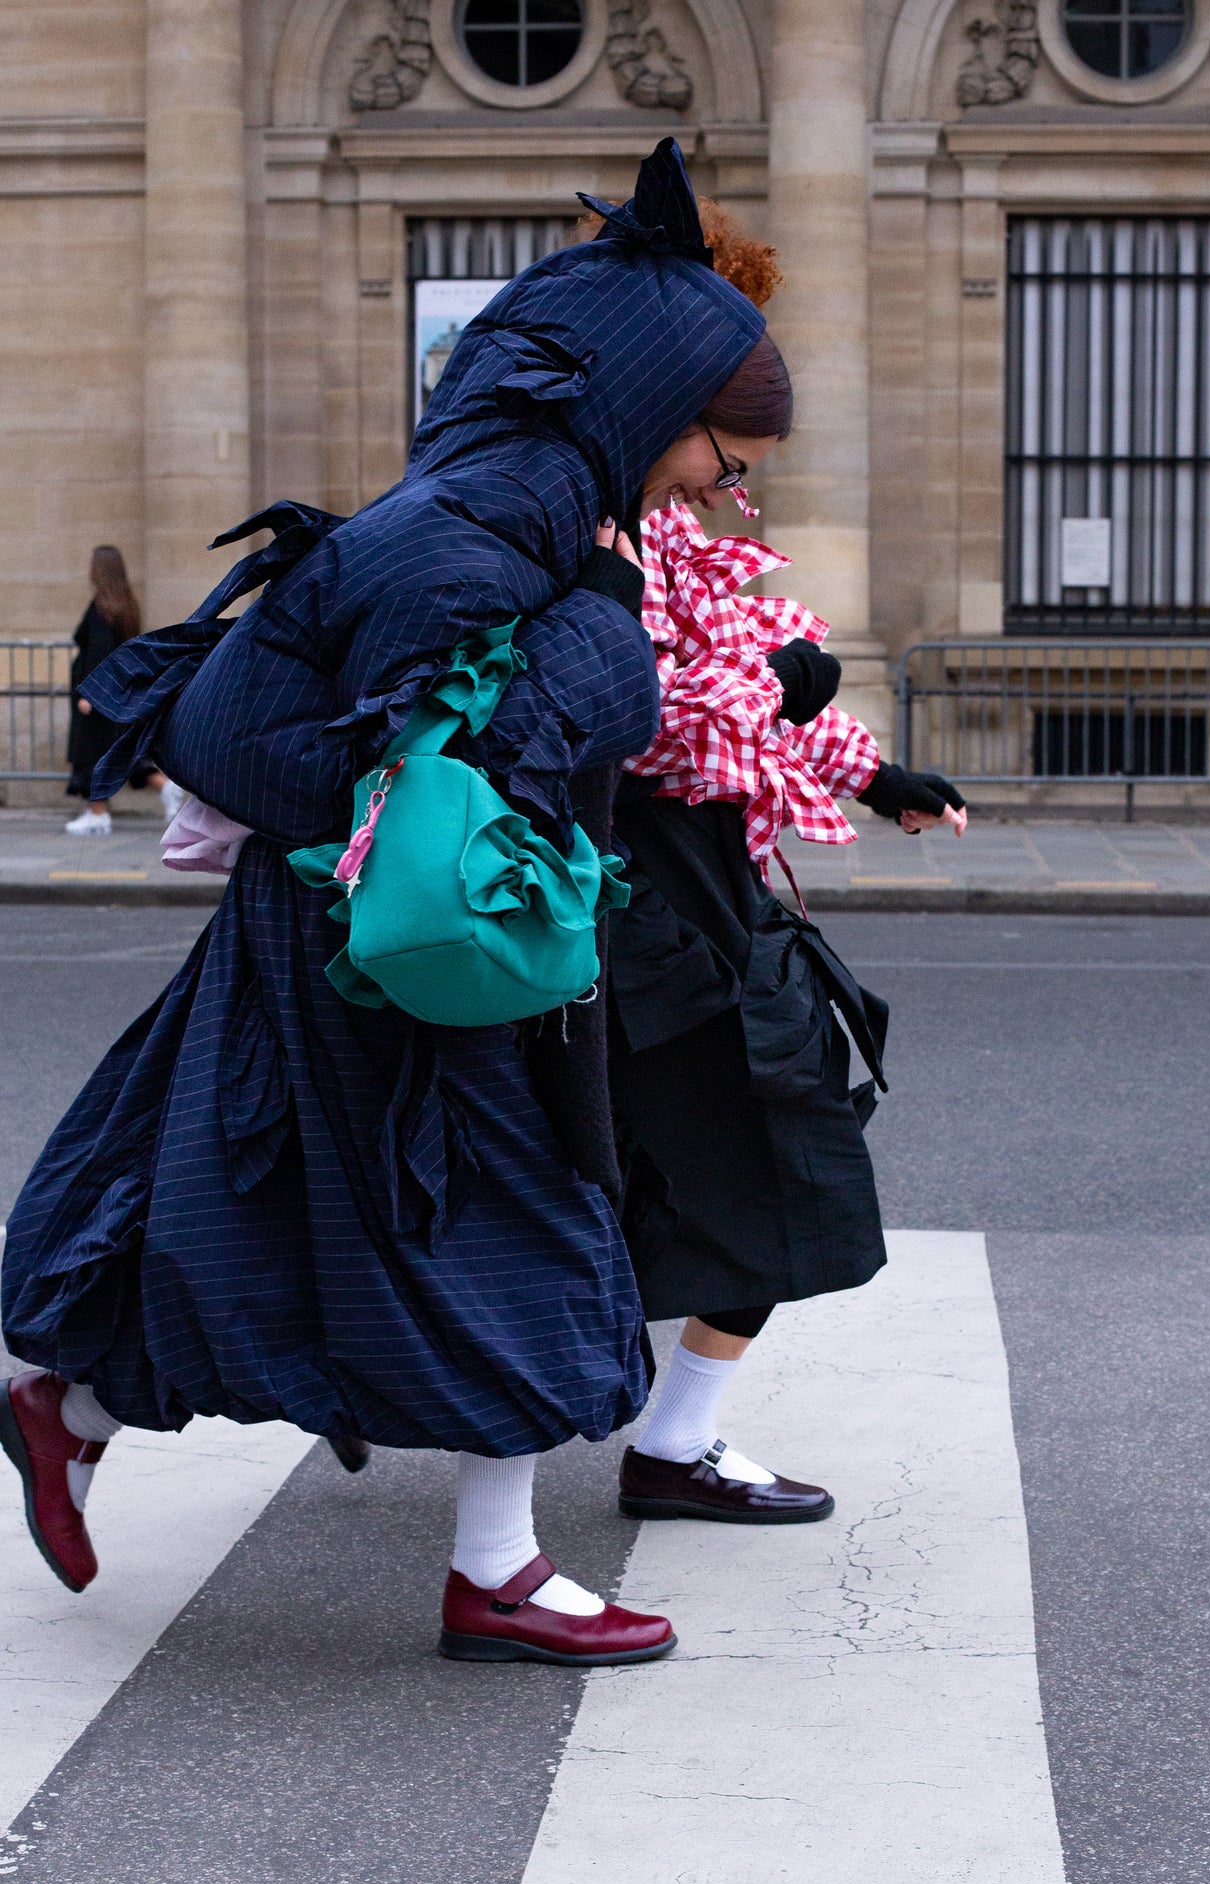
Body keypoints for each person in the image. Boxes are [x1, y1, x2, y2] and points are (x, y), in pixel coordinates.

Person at [0, 139, 787, 1669]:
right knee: (527, 1223)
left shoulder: (534, 516)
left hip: (396, 944)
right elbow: (330, 742)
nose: (726, 481)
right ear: (643, 403)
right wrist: (603, 650)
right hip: (410, 958)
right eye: (719, 445)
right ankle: (494, 1570)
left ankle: (70, 1406)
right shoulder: (477, 528)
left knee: (279, 1221)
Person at [600, 210, 968, 1527]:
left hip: (689, 902)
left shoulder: (661, 520)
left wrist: (875, 776)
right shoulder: (574, 522)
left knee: (752, 1171)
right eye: (728, 460)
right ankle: (93, 1395)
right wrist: (768, 679)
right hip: (634, 915)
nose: (733, 489)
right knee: (766, 1170)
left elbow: (753, 681)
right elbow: (637, 709)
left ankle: (665, 1441)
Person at [64, 545, 183, 836]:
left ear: (100, 568)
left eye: (91, 561)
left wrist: (89, 694)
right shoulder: (124, 604)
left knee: (93, 753)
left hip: (98, 697)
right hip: (115, 692)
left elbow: (99, 653)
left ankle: (98, 814)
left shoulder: (102, 609)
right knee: (118, 753)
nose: (87, 565)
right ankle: (165, 787)